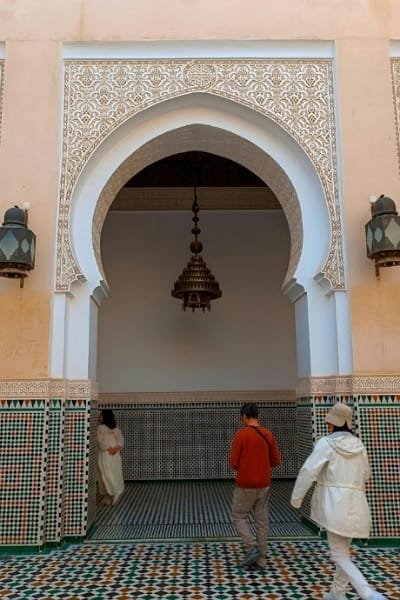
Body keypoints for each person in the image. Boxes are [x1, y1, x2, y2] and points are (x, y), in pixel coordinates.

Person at [290, 402, 386, 600]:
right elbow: (366, 475)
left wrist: (296, 498)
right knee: (344, 551)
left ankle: (368, 593)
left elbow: (309, 471)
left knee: (339, 554)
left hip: (334, 507)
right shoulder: (360, 446)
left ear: (332, 424)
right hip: (356, 505)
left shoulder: (326, 443)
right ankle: (337, 593)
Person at [229, 402, 281, 570]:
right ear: (257, 416)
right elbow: (276, 461)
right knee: (261, 521)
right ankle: (262, 559)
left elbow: (233, 462)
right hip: (264, 484)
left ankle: (251, 548)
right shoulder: (268, 434)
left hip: (245, 484)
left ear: (243, 416)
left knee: (239, 516)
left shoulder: (241, 435)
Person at [97, 409, 125, 506]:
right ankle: (107, 496)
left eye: (101, 415)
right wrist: (109, 448)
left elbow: (120, 441)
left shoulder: (115, 429)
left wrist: (115, 448)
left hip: (112, 455)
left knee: (111, 473)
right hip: (106, 454)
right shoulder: (100, 428)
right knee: (104, 474)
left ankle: (115, 491)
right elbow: (99, 441)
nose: (99, 417)